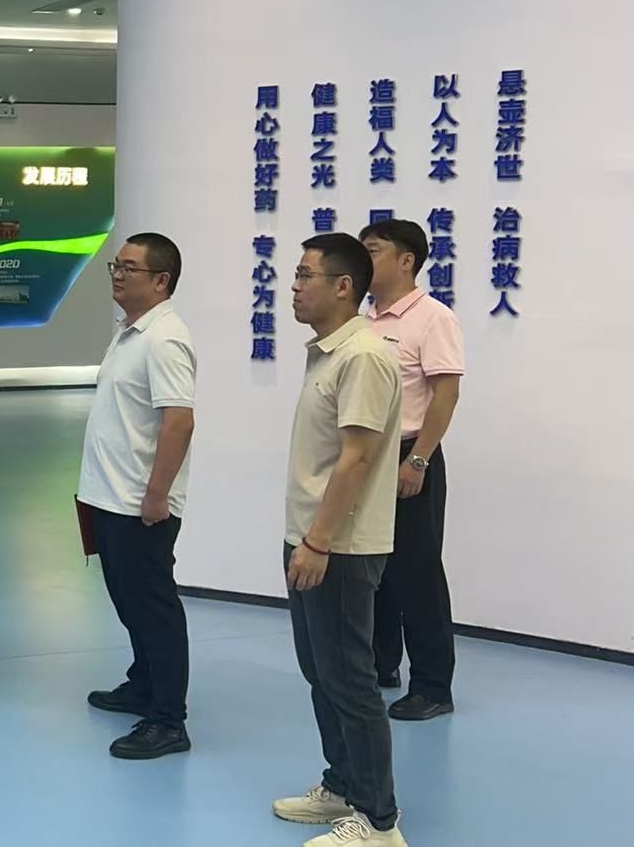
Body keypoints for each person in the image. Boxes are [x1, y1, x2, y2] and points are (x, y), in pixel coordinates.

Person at [274, 233, 408, 847]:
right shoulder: (329, 352)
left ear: (344, 286)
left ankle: (379, 821)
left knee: (350, 680)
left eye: (306, 276)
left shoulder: (364, 356)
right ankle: (344, 784)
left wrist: (320, 542)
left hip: (340, 548)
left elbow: (356, 458)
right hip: (310, 538)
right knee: (321, 673)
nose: (295, 286)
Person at [77, 233, 197, 760]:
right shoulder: (131, 332)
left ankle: (168, 720)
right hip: (109, 497)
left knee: (153, 609)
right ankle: (144, 682)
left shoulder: (165, 339)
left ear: (161, 281)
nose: (118, 275)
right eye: (116, 266)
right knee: (129, 602)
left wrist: (157, 495)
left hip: (138, 505)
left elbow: (179, 421)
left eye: (130, 268)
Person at [360, 220, 464, 722]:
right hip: (368, 457)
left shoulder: (432, 317)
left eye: (373, 251)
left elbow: (446, 394)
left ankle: (433, 686)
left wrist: (418, 460)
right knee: (371, 568)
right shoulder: (364, 320)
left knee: (417, 574)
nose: (363, 259)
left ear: (407, 260)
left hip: (409, 456)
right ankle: (381, 665)